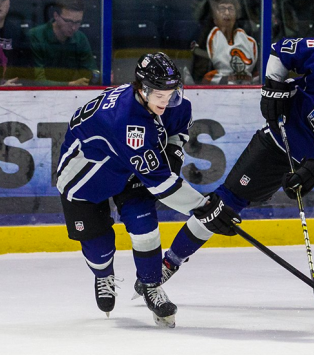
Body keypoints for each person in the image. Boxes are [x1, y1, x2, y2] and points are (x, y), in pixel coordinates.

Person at [132, 36, 314, 328]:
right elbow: (281, 50)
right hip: (284, 140)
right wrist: (273, 86)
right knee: (223, 203)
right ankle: (169, 263)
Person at [56, 52, 241, 328]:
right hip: (86, 177)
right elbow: (163, 185)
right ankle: (103, 274)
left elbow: (177, 131)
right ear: (142, 90)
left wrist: (174, 152)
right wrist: (204, 208)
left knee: (144, 223)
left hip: (130, 168)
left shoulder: (172, 102)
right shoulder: (126, 123)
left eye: (172, 93)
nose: (167, 102)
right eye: (160, 96)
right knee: (99, 247)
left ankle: (151, 285)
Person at [28, 0, 98, 86]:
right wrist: (70, 85)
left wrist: (94, 77)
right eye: (68, 21)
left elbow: (92, 72)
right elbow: (37, 81)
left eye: (78, 22)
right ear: (56, 16)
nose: (73, 27)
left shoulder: (80, 38)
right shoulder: (35, 36)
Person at [194, 0, 258, 85]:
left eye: (230, 9)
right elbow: (200, 76)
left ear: (236, 15)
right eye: (222, 9)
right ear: (214, 15)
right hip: (216, 94)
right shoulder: (207, 39)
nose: (227, 13)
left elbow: (256, 75)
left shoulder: (248, 40)